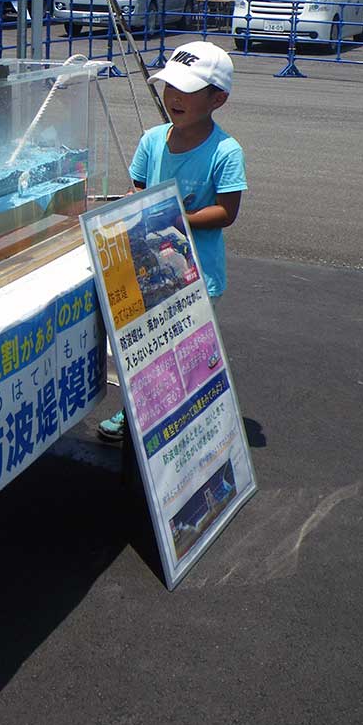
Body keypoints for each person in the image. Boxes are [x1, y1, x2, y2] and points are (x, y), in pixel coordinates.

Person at [97, 42, 248, 442]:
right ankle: (136, 415)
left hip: (197, 273)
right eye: (169, 87)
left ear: (219, 99)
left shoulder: (226, 151)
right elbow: (138, 189)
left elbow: (226, 212)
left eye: (188, 91)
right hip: (149, 268)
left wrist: (178, 219)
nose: (174, 97)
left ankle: (193, 414)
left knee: (188, 347)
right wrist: (136, 206)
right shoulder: (151, 140)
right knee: (145, 349)